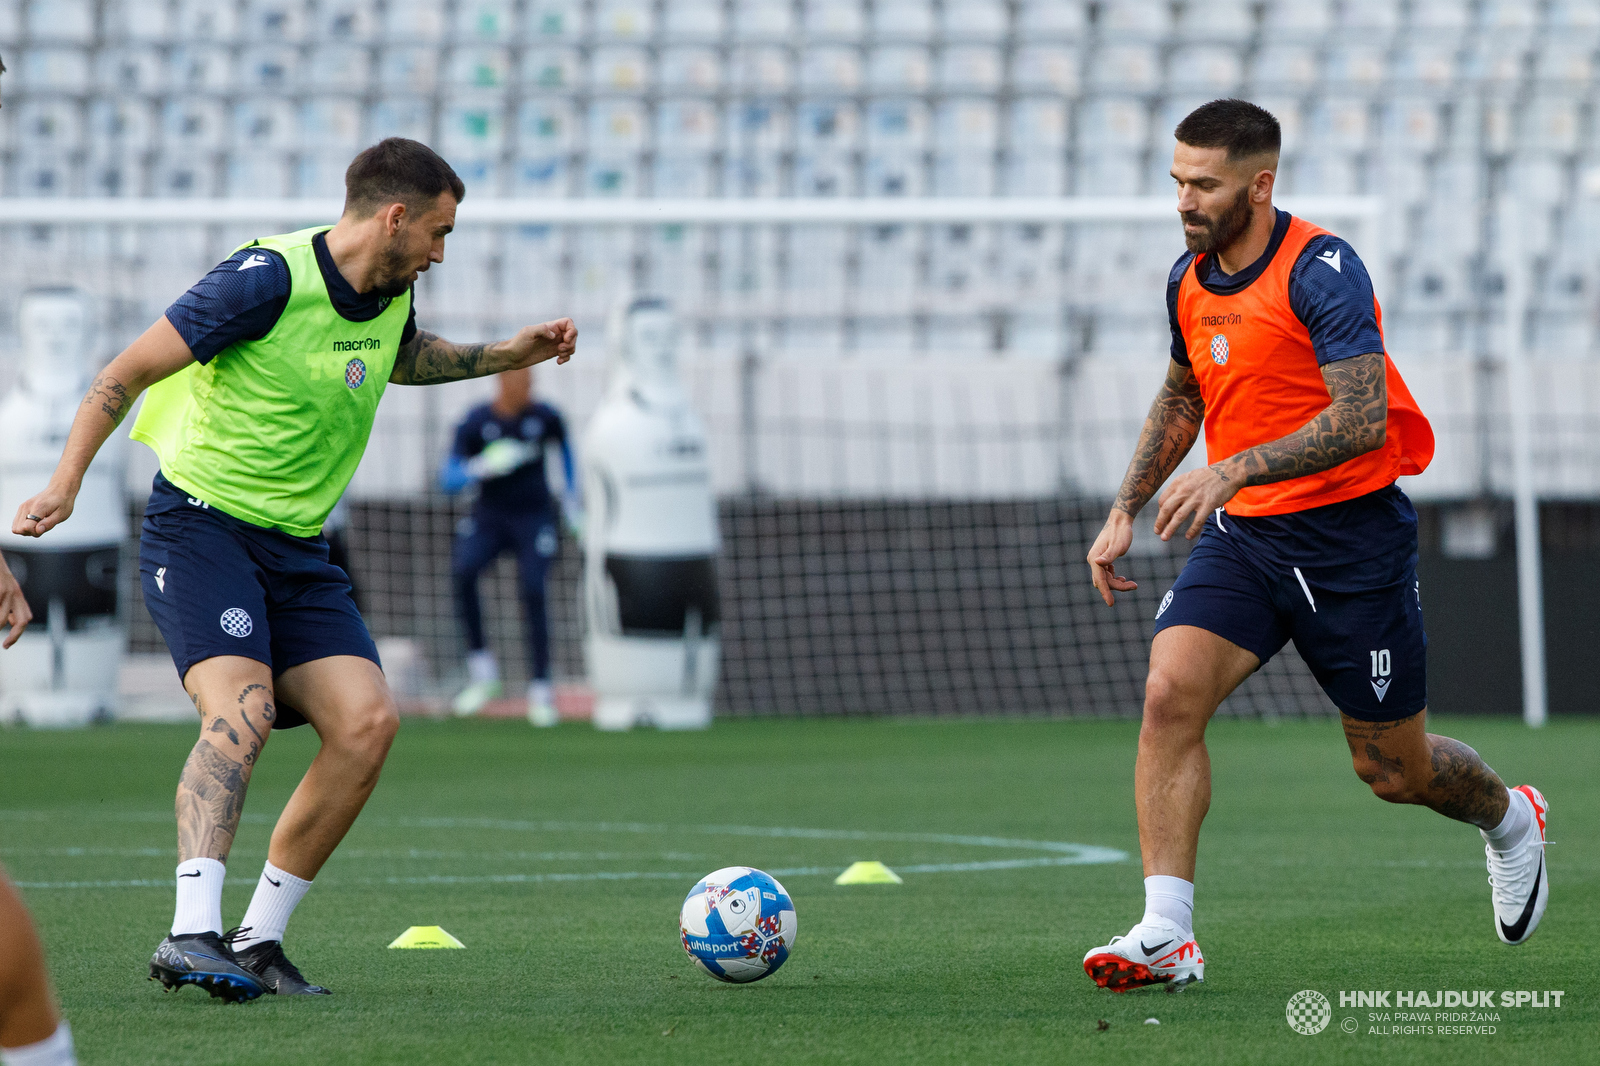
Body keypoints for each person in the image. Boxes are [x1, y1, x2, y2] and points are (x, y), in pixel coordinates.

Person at [10, 137, 577, 1002]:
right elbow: (123, 372)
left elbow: (400, 357)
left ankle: (258, 943)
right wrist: (66, 482)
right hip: (201, 530)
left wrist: (506, 355)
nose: (440, 250)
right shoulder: (263, 279)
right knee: (243, 707)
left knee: (368, 722)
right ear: (394, 218)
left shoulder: (391, 290)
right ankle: (189, 931)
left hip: (298, 549)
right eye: (438, 231)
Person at [1080, 99, 1548, 993]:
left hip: (1350, 544)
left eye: (1204, 184)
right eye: (1177, 180)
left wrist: (1235, 468)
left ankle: (1510, 819)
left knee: (1394, 772)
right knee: (1168, 693)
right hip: (1246, 541)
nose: (1184, 198)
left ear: (1259, 185)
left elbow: (1363, 420)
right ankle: (1166, 931)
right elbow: (1184, 396)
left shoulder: (1323, 270)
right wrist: (1124, 507)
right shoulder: (1188, 275)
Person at [441, 368, 580, 726]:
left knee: (534, 588)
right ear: (503, 381)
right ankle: (483, 672)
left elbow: (567, 457)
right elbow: (448, 477)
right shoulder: (476, 421)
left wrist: (573, 504)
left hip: (534, 518)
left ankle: (541, 688)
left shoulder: (545, 417)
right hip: (490, 516)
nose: (530, 388)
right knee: (463, 571)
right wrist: (481, 466)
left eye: (532, 381)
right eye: (523, 381)